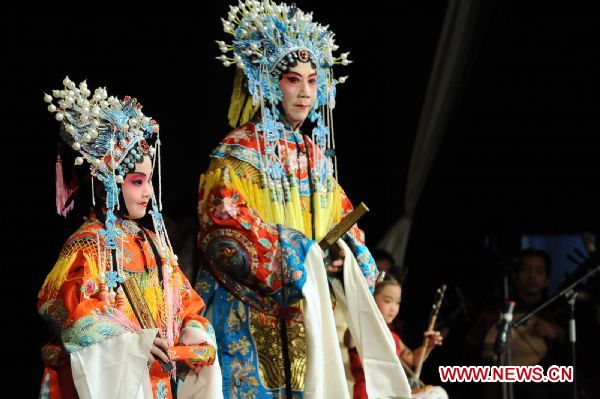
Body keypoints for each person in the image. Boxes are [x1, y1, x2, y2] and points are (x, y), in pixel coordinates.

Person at [195, 1, 410, 398]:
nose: (306, 93)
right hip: (248, 316)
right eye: (293, 80)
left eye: (313, 81)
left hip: (308, 319)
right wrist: (302, 253)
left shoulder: (315, 157)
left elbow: (343, 221)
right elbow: (222, 231)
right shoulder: (236, 153)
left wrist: (347, 252)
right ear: (265, 83)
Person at [38, 77, 222, 399]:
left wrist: (194, 331)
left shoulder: (152, 243)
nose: (148, 192)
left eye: (149, 180)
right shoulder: (87, 246)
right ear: (108, 184)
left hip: (158, 385)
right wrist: (134, 341)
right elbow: (69, 311)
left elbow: (185, 302)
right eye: (137, 181)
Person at [466, 248, 569, 399]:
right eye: (526, 270)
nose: (532, 276)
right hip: (506, 381)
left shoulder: (553, 313)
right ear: (515, 276)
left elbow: (572, 350)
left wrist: (557, 333)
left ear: (547, 279)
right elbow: (471, 347)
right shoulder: (495, 312)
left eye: (539, 271)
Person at [345, 274, 448, 399]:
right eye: (388, 301)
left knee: (438, 393)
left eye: (397, 302)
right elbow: (349, 341)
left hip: (391, 394)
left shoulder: (393, 337)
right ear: (371, 299)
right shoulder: (360, 329)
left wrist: (428, 346)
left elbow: (414, 361)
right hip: (368, 393)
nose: (393, 308)